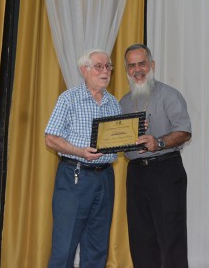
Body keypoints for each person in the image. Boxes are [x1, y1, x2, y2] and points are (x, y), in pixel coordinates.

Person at [44, 49, 121, 268]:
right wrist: (80, 151)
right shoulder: (69, 98)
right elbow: (50, 138)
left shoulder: (113, 103)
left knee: (98, 246)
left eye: (108, 66)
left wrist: (135, 137)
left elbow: (118, 139)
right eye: (99, 66)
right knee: (65, 245)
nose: (105, 71)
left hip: (105, 177)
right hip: (74, 176)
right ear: (84, 70)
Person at [120, 44, 192, 268]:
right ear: (127, 70)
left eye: (142, 63)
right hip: (136, 175)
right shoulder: (122, 103)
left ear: (152, 65)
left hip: (165, 171)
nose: (137, 70)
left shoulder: (169, 95)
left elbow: (184, 131)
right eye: (131, 65)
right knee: (140, 238)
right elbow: (117, 140)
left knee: (171, 239)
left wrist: (158, 142)